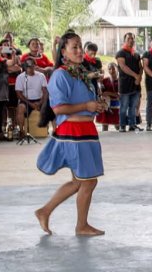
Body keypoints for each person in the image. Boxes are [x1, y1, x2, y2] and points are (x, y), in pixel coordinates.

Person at [33, 32, 108, 237]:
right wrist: (87, 105)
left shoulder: (82, 74)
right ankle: (81, 225)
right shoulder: (61, 74)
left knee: (79, 181)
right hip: (74, 133)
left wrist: (96, 106)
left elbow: (86, 104)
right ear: (63, 52)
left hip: (86, 132)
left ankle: (45, 211)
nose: (79, 50)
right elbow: (58, 109)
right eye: (74, 47)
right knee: (88, 181)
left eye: (80, 46)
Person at [116, 33, 143, 132]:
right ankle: (122, 125)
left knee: (133, 107)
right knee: (123, 107)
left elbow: (141, 67)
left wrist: (139, 77)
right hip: (125, 85)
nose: (131, 40)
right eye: (128, 38)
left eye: (132, 39)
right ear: (124, 40)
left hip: (136, 85)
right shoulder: (120, 53)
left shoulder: (136, 54)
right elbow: (123, 67)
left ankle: (132, 125)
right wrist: (135, 76)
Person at [14, 60, 47, 134]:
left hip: (39, 99)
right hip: (26, 100)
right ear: (25, 68)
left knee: (51, 107)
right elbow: (19, 94)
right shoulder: (20, 77)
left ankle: (53, 130)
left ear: (35, 66)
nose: (30, 69)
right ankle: (21, 131)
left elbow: (45, 91)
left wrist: (40, 102)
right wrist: (30, 103)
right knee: (20, 108)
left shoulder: (41, 76)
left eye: (32, 67)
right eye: (28, 67)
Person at [96, 63, 121, 132]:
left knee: (118, 126)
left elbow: (121, 95)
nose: (112, 70)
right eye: (110, 69)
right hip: (106, 106)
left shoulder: (121, 81)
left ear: (117, 69)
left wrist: (109, 93)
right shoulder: (105, 80)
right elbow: (100, 93)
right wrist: (99, 83)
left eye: (113, 68)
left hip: (117, 106)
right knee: (104, 125)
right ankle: (106, 141)